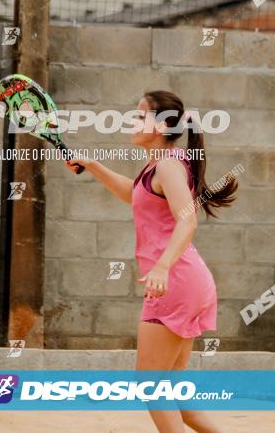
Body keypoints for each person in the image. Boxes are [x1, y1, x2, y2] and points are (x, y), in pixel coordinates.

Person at [66, 90, 236, 433]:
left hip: (175, 283)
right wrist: (95, 166)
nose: (132, 120)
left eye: (140, 114)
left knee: (151, 385)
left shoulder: (169, 165)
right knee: (170, 387)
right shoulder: (160, 165)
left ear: (161, 125)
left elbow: (188, 220)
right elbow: (136, 195)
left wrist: (162, 266)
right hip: (186, 282)